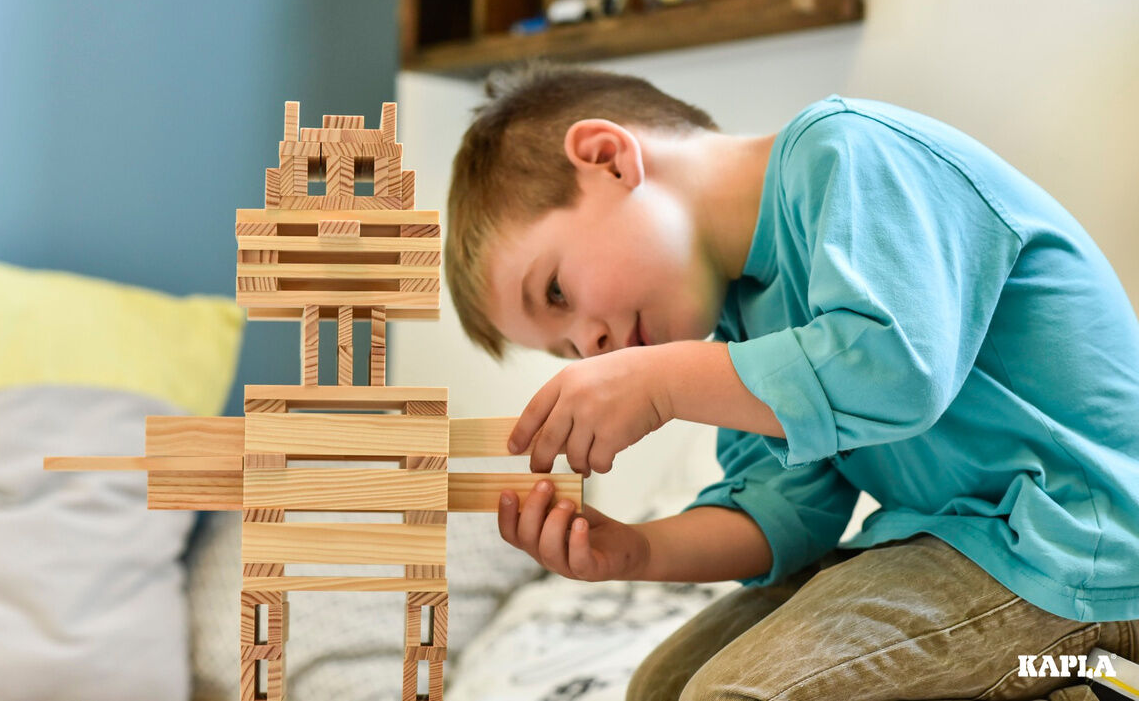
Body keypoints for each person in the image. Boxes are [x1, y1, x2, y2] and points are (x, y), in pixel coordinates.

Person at [443, 62, 1139, 700]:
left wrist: (662, 382)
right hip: (962, 544)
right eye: (566, 350)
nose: (590, 349)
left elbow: (897, 372)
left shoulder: (851, 152)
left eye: (557, 291)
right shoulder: (740, 319)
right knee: (660, 686)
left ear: (608, 158)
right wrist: (631, 549)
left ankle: (1094, 683)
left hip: (1084, 552)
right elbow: (786, 511)